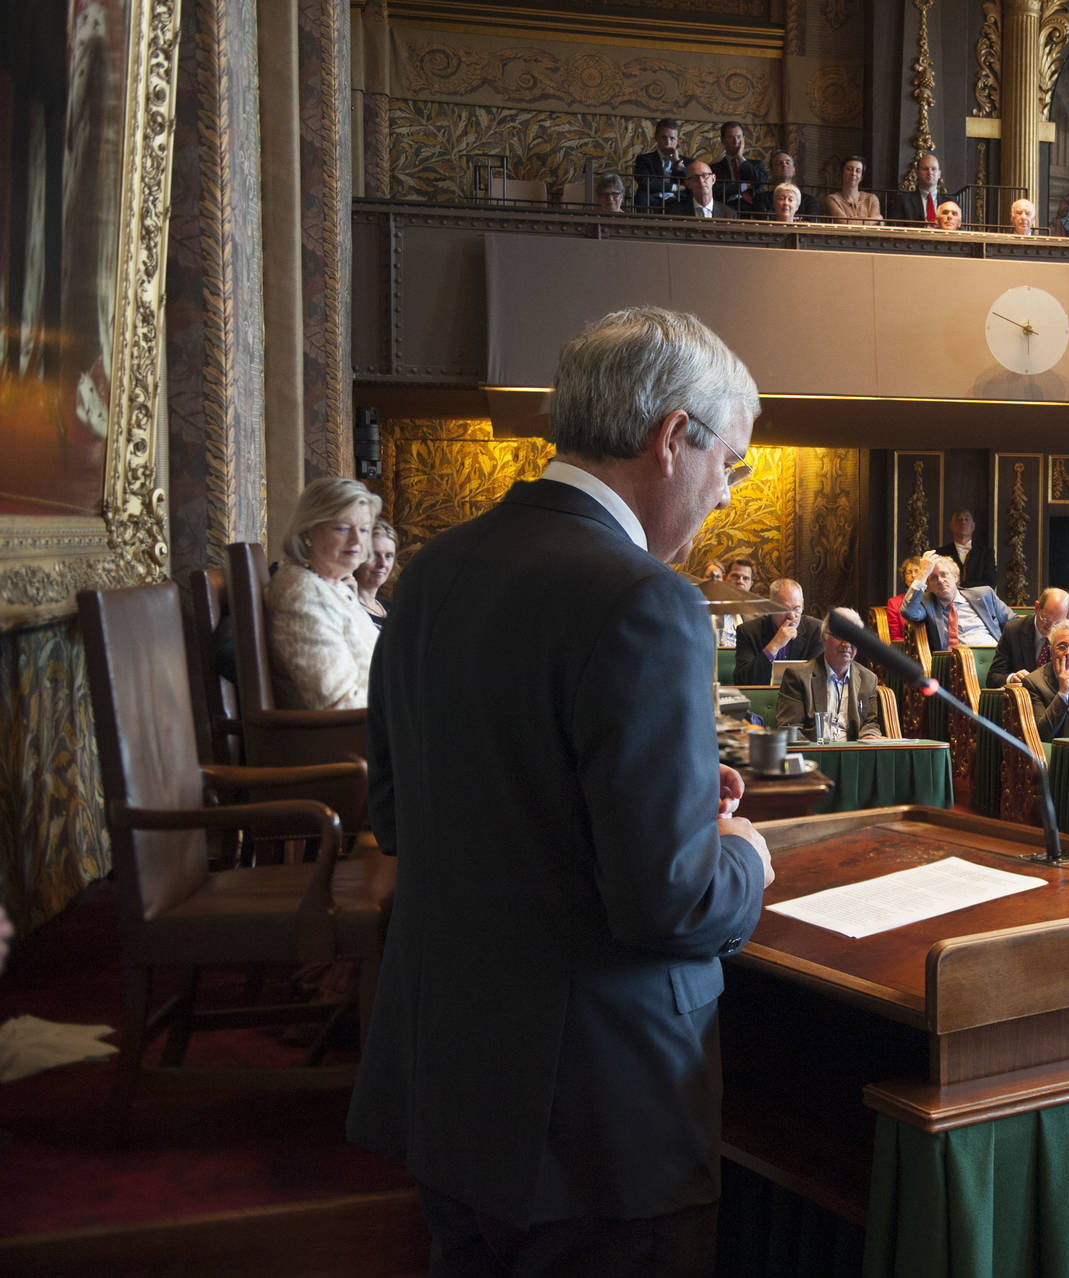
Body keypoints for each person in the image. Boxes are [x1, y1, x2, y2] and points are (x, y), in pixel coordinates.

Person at [348, 306, 774, 1274]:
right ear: (673, 439)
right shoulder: (645, 600)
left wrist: (657, 802)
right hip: (593, 1127)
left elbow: (404, 819)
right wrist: (742, 857)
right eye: (732, 465)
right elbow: (670, 901)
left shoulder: (430, 576)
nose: (724, 495)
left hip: (448, 1089)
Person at [265, 476, 382, 710]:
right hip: (346, 740)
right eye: (342, 528)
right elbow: (340, 704)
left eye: (364, 529)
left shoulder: (335, 586)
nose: (357, 540)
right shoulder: (303, 594)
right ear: (307, 531)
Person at [775, 607, 885, 741]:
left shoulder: (868, 679)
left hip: (852, 755)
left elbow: (870, 723)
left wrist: (869, 736)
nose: (846, 644)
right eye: (840, 636)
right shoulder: (798, 677)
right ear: (824, 638)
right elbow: (789, 728)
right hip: (814, 755)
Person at [901, 554, 1014, 651]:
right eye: (933, 578)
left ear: (955, 577)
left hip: (994, 655)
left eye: (944, 574)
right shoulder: (926, 603)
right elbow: (908, 612)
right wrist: (921, 574)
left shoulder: (984, 594)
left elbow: (1014, 623)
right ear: (928, 586)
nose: (940, 580)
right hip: (956, 666)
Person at [733, 578, 824, 684]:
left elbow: (818, 678)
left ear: (803, 605)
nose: (791, 615)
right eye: (784, 609)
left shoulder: (816, 630)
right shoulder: (749, 631)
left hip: (801, 698)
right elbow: (742, 680)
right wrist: (774, 645)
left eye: (796, 608)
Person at [989, 587, 1069, 688]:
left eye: (1057, 623)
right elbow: (993, 678)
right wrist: (1011, 678)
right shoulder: (1013, 630)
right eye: (1045, 619)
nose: (1050, 627)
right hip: (1024, 697)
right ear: (1037, 607)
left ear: (1068, 617)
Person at [708, 121, 766, 212]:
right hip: (725, 207)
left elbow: (761, 182)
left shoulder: (757, 165)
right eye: (731, 138)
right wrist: (743, 186)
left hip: (753, 208)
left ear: (743, 139)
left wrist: (740, 157)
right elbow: (716, 190)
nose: (736, 142)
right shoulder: (714, 168)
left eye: (739, 137)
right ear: (723, 140)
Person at [631, 118, 685, 211]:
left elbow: (690, 183)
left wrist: (677, 162)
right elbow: (645, 183)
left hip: (677, 202)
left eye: (672, 138)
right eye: (664, 137)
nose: (668, 142)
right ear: (656, 138)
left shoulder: (687, 162)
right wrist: (675, 187)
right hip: (651, 200)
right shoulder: (644, 160)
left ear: (678, 140)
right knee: (641, 196)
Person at [353, 519, 398, 631]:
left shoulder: (394, 609)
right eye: (374, 555)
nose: (382, 564)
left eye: (388, 556)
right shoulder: (348, 606)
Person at [935, 508, 995, 589]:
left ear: (973, 526)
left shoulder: (986, 553)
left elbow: (990, 583)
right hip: (948, 600)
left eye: (966, 519)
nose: (963, 522)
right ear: (951, 526)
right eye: (959, 519)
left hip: (978, 600)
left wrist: (963, 587)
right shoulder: (940, 553)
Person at [753, 151, 817, 219]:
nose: (784, 165)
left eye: (787, 163)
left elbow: (811, 221)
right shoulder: (761, 198)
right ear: (771, 171)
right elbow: (762, 220)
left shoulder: (808, 200)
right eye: (779, 163)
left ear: (794, 170)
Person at [824, 155, 882, 225]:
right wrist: (874, 220)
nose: (853, 173)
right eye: (849, 169)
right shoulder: (832, 199)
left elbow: (877, 225)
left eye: (858, 171)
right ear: (842, 173)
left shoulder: (872, 198)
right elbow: (844, 223)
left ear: (861, 177)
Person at [670, 161, 738, 220]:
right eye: (695, 177)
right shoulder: (677, 213)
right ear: (688, 183)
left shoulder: (729, 214)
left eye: (705, 176)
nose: (701, 181)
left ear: (713, 179)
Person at [890, 152, 943, 225]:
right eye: (925, 169)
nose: (930, 172)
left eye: (933, 169)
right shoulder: (902, 201)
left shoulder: (950, 202)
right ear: (917, 173)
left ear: (939, 174)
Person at [884, 554, 929, 642]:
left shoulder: (932, 599)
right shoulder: (894, 603)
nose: (913, 575)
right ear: (904, 578)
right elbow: (894, 637)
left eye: (917, 571)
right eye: (909, 572)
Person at [716, 558, 755, 647]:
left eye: (745, 578)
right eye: (735, 576)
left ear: (750, 584)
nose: (740, 581)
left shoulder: (758, 617)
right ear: (725, 578)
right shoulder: (709, 609)